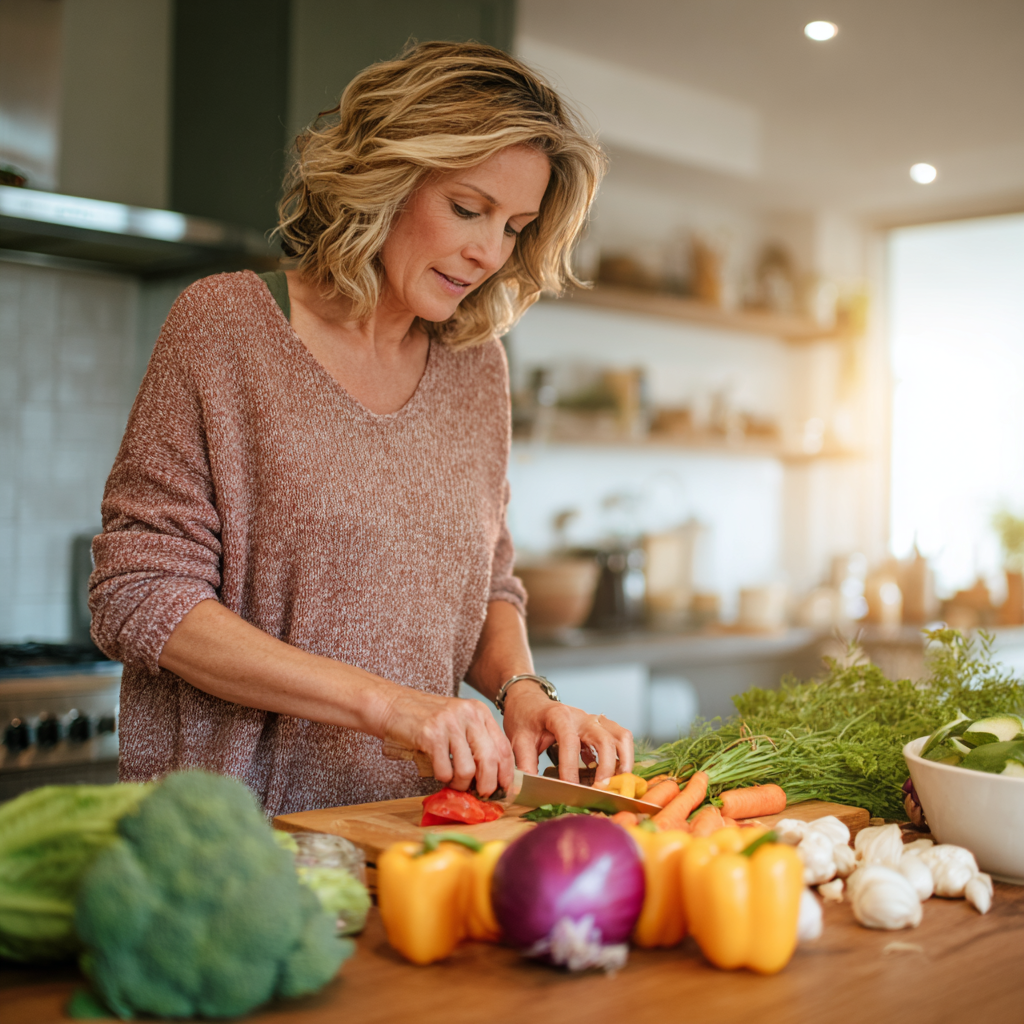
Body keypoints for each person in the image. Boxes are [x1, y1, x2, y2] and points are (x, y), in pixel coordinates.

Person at [89, 41, 633, 817]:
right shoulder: (226, 328)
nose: (488, 253)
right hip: (234, 843)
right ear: (386, 181)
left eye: (515, 226)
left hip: (415, 832)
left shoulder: (478, 369)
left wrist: (522, 690)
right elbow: (138, 596)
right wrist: (385, 706)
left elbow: (486, 581)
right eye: (467, 208)